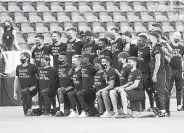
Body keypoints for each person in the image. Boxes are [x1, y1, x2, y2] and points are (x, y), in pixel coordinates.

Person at [149, 31, 169, 117]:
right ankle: (159, 109)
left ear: (154, 37)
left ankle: (163, 110)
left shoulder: (157, 47)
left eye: (150, 37)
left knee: (160, 91)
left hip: (159, 72)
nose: (149, 39)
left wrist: (154, 74)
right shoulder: (156, 47)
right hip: (159, 72)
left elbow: (158, 61)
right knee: (157, 91)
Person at [110, 52, 131, 118]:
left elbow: (130, 82)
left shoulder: (128, 68)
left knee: (121, 90)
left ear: (125, 59)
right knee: (112, 92)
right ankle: (116, 112)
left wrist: (120, 87)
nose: (119, 60)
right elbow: (123, 77)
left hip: (126, 88)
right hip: (121, 87)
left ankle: (125, 112)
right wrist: (118, 73)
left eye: (120, 58)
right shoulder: (122, 68)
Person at [137, 33, 154, 111]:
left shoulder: (148, 49)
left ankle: (152, 107)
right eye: (138, 40)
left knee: (149, 91)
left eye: (140, 40)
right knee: (141, 90)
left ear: (144, 41)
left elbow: (151, 62)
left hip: (146, 73)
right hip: (140, 72)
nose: (138, 42)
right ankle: (143, 107)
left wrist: (151, 74)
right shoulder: (138, 49)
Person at [55, 52, 74, 117]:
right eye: (58, 58)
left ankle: (62, 110)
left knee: (60, 89)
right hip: (62, 91)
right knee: (66, 114)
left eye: (61, 58)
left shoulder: (70, 66)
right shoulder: (58, 67)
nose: (59, 59)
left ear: (65, 59)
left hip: (70, 87)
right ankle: (63, 110)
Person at [169, 31, 184, 111]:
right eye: (176, 38)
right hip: (171, 69)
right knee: (169, 87)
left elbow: (183, 58)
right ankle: (166, 104)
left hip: (179, 69)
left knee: (179, 88)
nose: (177, 39)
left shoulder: (182, 47)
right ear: (173, 37)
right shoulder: (170, 45)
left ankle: (179, 105)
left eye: (178, 38)